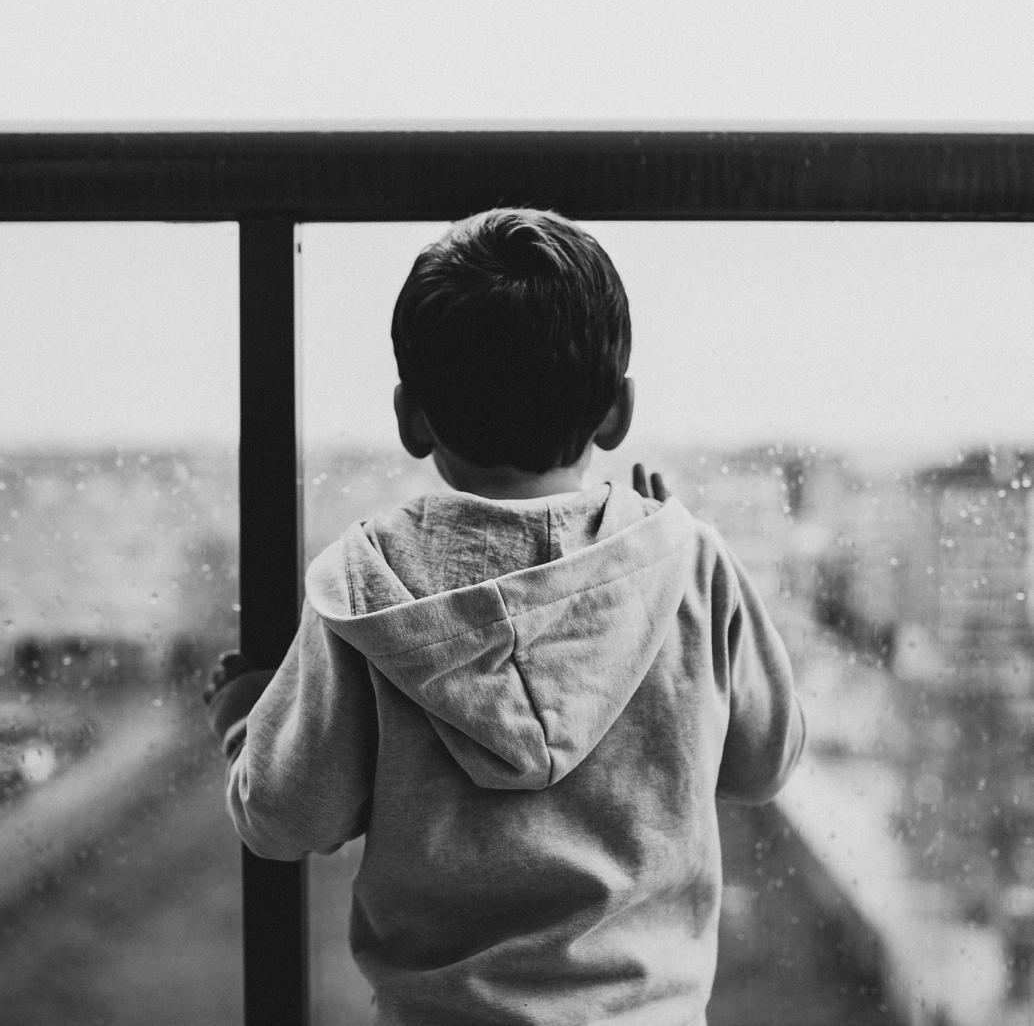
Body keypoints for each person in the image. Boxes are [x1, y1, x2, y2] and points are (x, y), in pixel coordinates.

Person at [204, 208, 805, 1026]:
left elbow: (285, 819)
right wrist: (660, 558)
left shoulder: (367, 586)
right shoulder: (690, 561)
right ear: (617, 412)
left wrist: (246, 721)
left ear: (411, 417)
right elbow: (765, 763)